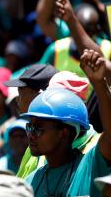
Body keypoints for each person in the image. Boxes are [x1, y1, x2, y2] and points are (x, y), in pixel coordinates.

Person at [21, 49, 111, 197]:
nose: (30, 135)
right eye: (29, 127)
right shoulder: (30, 182)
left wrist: (99, 83)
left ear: (63, 133)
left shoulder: (90, 165)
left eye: (38, 129)